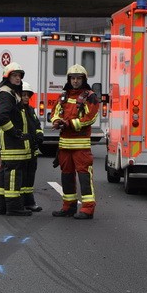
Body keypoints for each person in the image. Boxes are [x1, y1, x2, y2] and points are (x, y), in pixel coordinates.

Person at [50, 64, 100, 220]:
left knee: (84, 176)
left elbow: (89, 118)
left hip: (81, 146)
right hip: (65, 145)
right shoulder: (64, 96)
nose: (75, 81)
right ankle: (68, 206)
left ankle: (88, 208)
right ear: (69, 79)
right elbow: (54, 113)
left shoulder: (89, 96)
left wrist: (69, 124)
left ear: (84, 79)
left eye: (78, 78)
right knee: (66, 175)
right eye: (73, 78)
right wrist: (57, 121)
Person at [0, 63, 32, 217]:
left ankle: (2, 206)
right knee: (13, 174)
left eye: (19, 76)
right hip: (12, 142)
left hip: (12, 141)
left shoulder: (12, 92)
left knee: (5, 173)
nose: (17, 78)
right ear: (7, 77)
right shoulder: (6, 93)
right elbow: (2, 117)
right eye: (14, 75)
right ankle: (13, 207)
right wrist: (15, 133)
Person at [20, 86, 44, 212]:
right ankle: (21, 202)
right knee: (22, 178)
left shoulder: (30, 110)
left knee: (30, 178)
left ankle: (29, 202)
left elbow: (37, 125)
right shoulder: (17, 111)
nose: (25, 97)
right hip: (22, 150)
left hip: (32, 150)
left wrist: (39, 135)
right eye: (23, 95)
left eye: (27, 95)